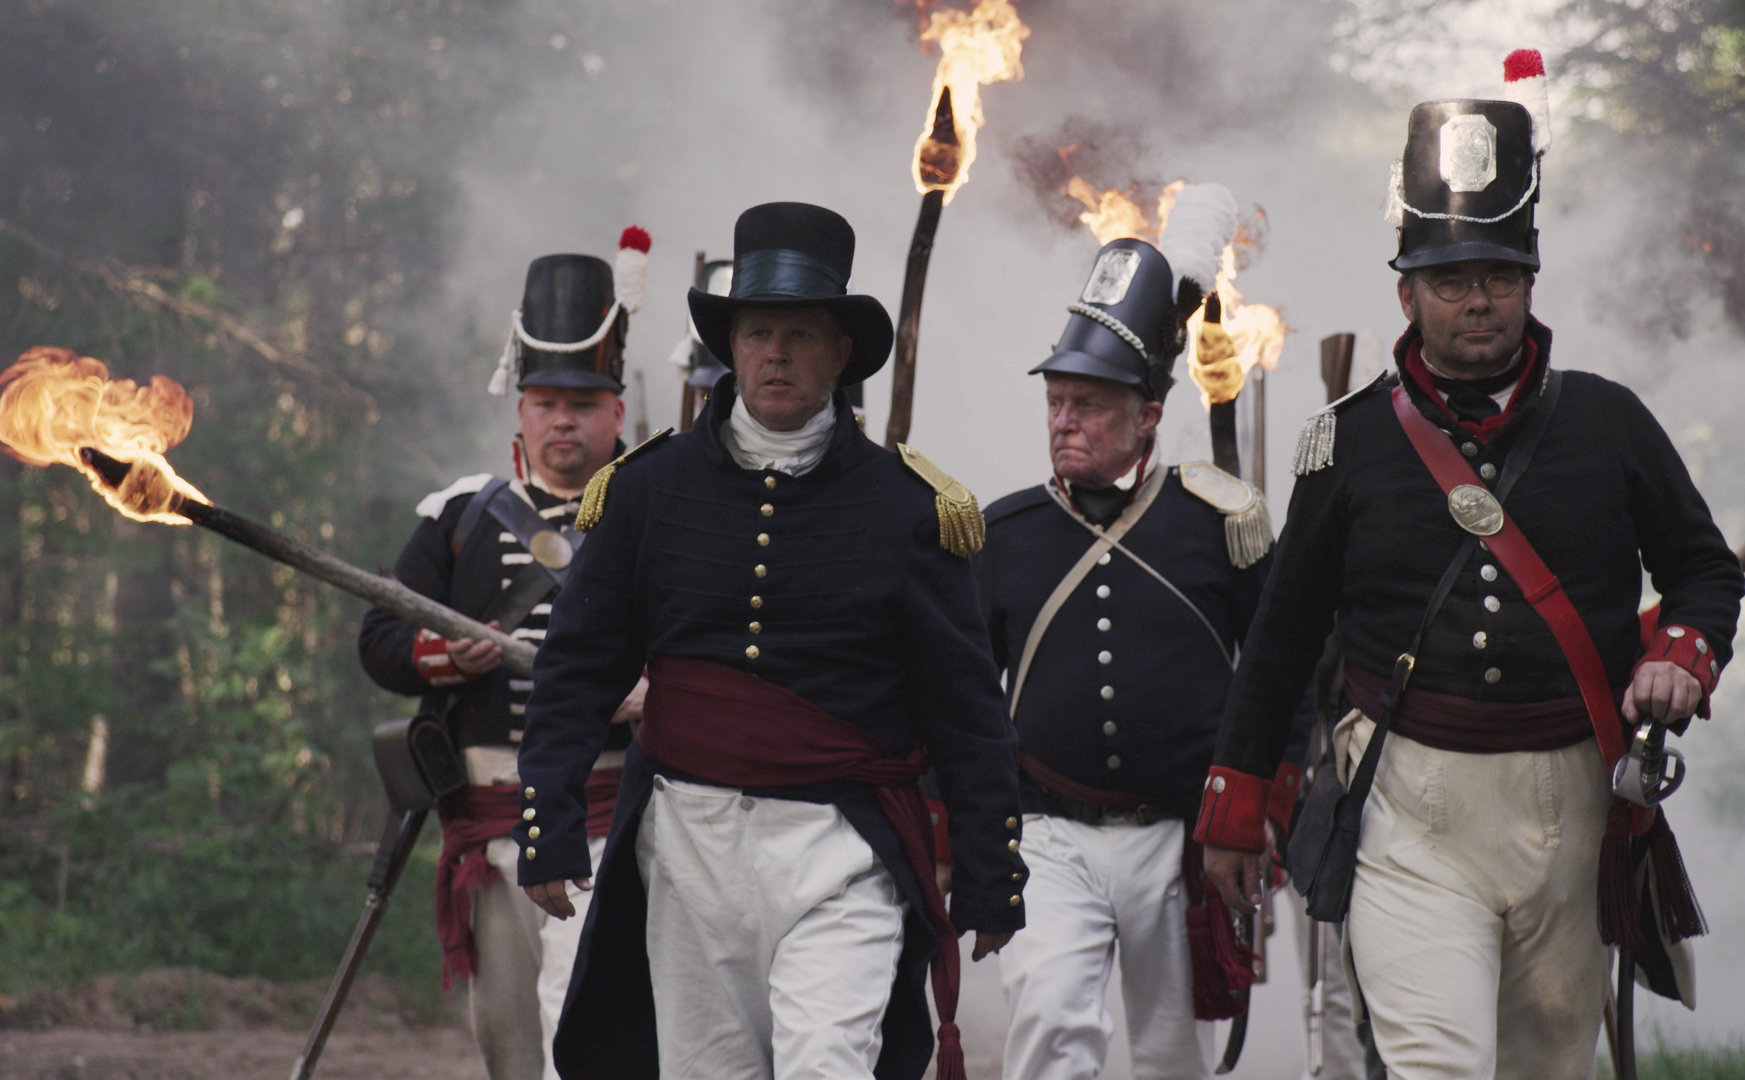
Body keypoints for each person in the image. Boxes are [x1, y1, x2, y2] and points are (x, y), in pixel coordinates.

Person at [1197, 86, 1745, 1078]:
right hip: (1412, 806)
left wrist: (1680, 658)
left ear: (1530, 283)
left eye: (1497, 273)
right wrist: (1237, 806)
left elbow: (1705, 572)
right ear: (1407, 294)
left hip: (1573, 804)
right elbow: (1281, 634)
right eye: (1450, 280)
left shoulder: (1611, 422)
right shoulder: (1340, 443)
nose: (1477, 298)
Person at [512, 201, 1026, 1080]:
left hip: (842, 848)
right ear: (731, 347)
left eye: (799, 333)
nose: (776, 353)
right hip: (687, 842)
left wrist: (989, 868)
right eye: (757, 332)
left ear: (839, 353)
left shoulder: (910, 508)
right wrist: (547, 821)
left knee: (828, 1064)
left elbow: (966, 709)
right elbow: (577, 669)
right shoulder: (647, 490)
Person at [969, 218, 1276, 1079]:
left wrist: (1262, 806)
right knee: (1052, 1031)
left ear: (1148, 417)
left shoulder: (1221, 525)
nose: (1066, 422)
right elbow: (961, 695)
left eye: (1091, 405)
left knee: (1172, 1057)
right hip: (1048, 834)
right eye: (1057, 402)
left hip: (1183, 839)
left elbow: (1286, 669)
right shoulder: (1006, 534)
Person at [358, 232, 647, 1080]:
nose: (565, 419)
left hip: (609, 813)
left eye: (585, 403)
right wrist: (447, 657)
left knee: (582, 1020)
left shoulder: (654, 513)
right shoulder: (459, 517)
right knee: (509, 1036)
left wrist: (649, 684)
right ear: (520, 408)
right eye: (549, 401)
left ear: (617, 413)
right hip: (489, 820)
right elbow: (381, 641)